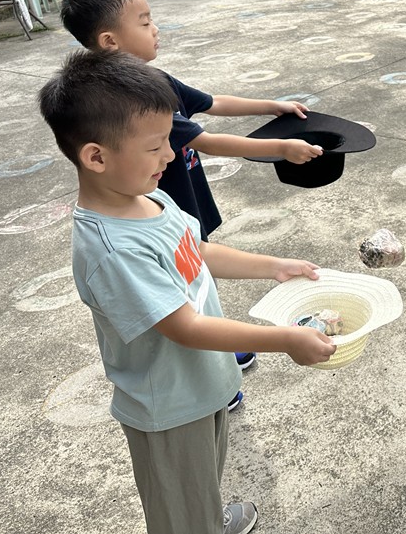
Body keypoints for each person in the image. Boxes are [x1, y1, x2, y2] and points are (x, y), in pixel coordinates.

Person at [38, 49, 337, 534]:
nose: (171, 155)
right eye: (155, 146)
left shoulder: (149, 197)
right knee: (178, 508)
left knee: (201, 481)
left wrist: (274, 266)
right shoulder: (113, 250)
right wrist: (285, 339)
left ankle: (207, 516)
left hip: (201, 383)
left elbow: (195, 250)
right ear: (96, 156)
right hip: (169, 407)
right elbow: (185, 328)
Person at [61, 0, 322, 409]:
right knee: (180, 291)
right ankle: (216, 356)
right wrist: (280, 148)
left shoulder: (154, 85)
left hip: (173, 202)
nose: (155, 28)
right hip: (161, 199)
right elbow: (206, 140)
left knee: (196, 273)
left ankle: (220, 352)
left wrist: (270, 105)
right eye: (144, 21)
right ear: (109, 40)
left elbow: (211, 102)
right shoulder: (132, 109)